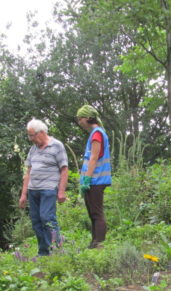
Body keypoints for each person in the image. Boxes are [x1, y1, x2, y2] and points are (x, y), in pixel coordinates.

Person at [18, 119, 68, 256]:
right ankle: (44, 252)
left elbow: (64, 170)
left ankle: (57, 250)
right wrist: (23, 194)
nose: (30, 139)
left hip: (49, 188)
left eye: (32, 135)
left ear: (41, 132)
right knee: (36, 221)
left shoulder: (57, 146)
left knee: (47, 218)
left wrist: (61, 191)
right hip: (33, 190)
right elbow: (27, 172)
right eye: (29, 136)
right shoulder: (33, 149)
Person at [76, 105, 112, 249]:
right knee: (93, 213)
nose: (79, 122)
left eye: (81, 118)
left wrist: (87, 179)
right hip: (94, 180)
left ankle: (99, 244)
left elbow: (94, 157)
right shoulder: (96, 133)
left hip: (96, 180)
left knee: (97, 213)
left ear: (88, 118)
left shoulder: (97, 134)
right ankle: (94, 242)